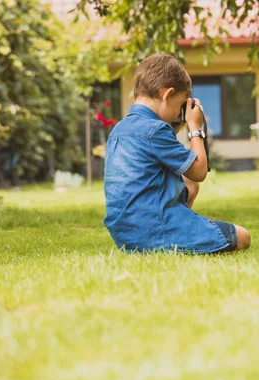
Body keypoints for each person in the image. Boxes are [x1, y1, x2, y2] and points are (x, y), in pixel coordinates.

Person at [104, 53, 250, 253]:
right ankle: (177, 236)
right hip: (155, 228)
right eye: (179, 104)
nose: (177, 113)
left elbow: (157, 159)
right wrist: (194, 127)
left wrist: (177, 126)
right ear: (166, 94)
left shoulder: (118, 130)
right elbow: (199, 171)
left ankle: (183, 229)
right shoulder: (155, 130)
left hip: (126, 234)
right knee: (242, 236)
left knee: (187, 181)